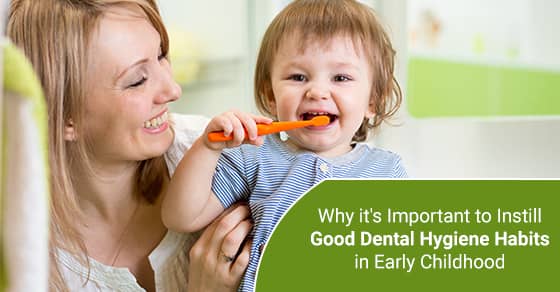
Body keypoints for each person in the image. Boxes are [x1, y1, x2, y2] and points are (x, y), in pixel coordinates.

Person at [162, 0, 407, 291]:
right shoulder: (253, 156)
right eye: (298, 77)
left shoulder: (387, 171)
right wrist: (207, 147)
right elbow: (181, 217)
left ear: (372, 100)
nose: (317, 91)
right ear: (270, 94)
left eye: (341, 78)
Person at [7, 0, 252, 291]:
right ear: (63, 118)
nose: (173, 90)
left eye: (162, 56)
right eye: (137, 81)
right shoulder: (18, 243)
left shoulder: (228, 160)